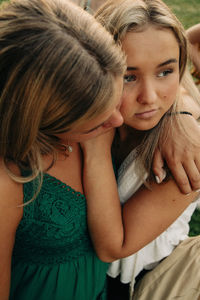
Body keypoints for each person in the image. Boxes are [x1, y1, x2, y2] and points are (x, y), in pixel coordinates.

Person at [0, 0, 128, 299]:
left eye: (116, 98)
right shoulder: (9, 179)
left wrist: (180, 117)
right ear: (36, 122)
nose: (119, 120)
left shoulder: (95, 111)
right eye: (93, 125)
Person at [81, 0, 200, 299]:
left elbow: (114, 246)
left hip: (141, 282)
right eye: (128, 76)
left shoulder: (184, 155)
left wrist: (95, 149)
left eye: (165, 72)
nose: (149, 97)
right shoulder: (84, 116)